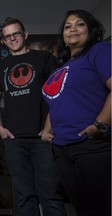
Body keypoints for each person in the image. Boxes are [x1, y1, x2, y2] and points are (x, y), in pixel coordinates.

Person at [0, 17, 66, 216]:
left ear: (25, 35)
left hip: (43, 137)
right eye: (8, 36)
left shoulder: (44, 59)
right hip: (15, 141)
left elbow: (58, 94)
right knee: (25, 197)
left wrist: (49, 128)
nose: (12, 38)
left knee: (51, 195)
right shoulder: (0, 67)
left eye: (16, 34)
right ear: (4, 41)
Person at [42, 9, 111, 216]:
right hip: (62, 148)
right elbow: (56, 101)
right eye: (67, 26)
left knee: (103, 208)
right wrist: (47, 130)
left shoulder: (99, 51)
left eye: (80, 24)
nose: (73, 29)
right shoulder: (62, 67)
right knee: (82, 209)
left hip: (91, 145)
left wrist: (100, 125)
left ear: (90, 30)